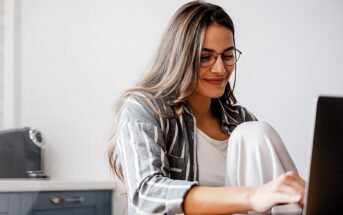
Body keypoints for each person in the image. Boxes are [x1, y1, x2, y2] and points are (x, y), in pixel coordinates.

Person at [108, 1, 305, 214]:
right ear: (181, 57)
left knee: (256, 132)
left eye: (228, 56)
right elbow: (145, 195)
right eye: (205, 57)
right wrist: (251, 196)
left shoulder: (242, 120)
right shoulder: (143, 109)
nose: (220, 69)